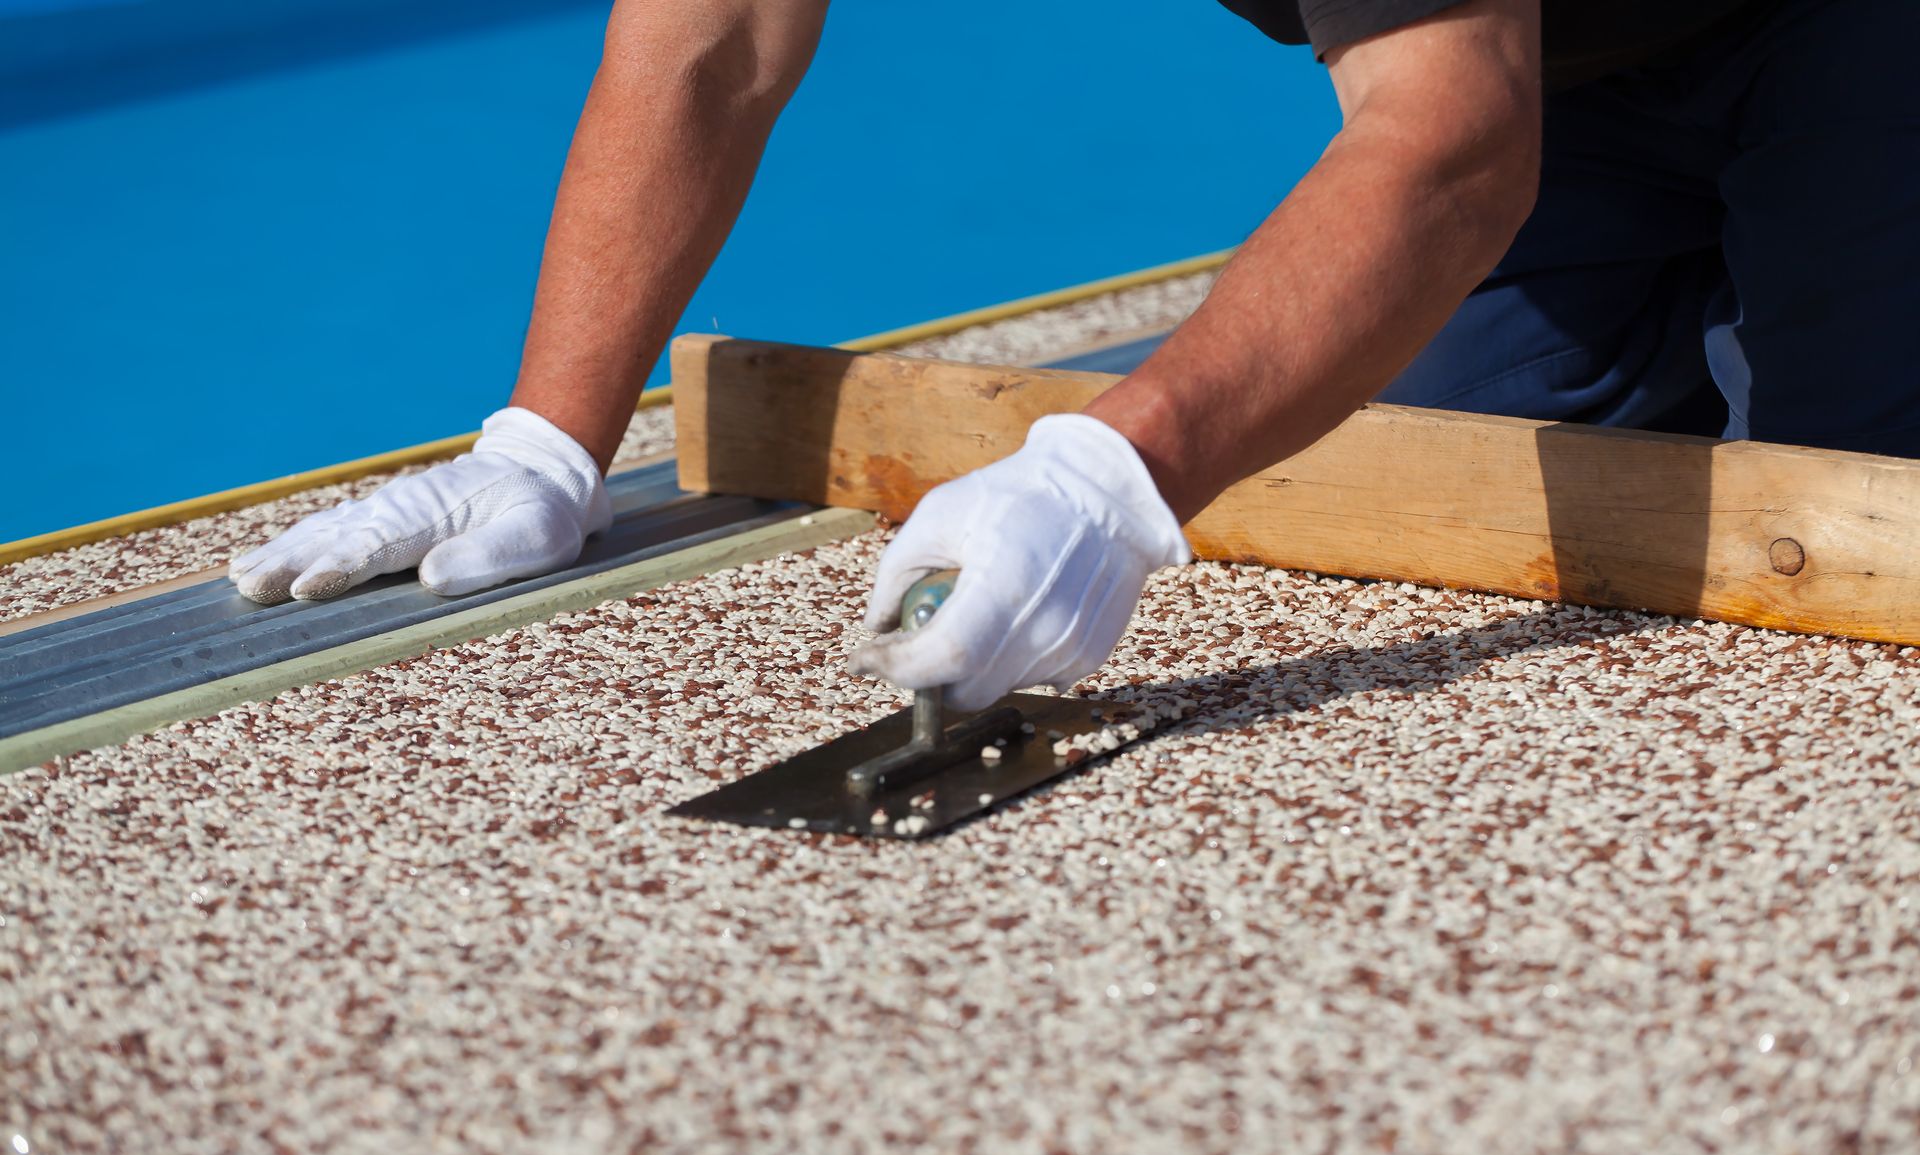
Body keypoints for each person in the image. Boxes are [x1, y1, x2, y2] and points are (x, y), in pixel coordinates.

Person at [229, 0, 1916, 712]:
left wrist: (1114, 473)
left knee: (1858, 511)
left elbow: (1451, 140)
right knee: (1440, 477)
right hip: (1574, 57)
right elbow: (710, 49)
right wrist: (546, 439)